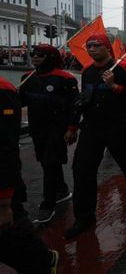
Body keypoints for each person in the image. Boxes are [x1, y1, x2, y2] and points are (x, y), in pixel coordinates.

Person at [64, 34, 126, 239]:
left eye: (96, 45)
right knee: (82, 170)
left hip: (118, 127)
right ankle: (84, 216)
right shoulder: (88, 72)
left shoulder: (124, 69)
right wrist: (73, 127)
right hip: (92, 127)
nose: (91, 49)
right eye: (88, 45)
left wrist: (114, 86)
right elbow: (83, 99)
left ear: (107, 48)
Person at [0, 76, 59, 273]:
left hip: (2, 185)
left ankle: (44, 261)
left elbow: (5, 149)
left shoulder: (3, 90)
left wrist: (4, 201)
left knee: (13, 235)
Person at [19, 44, 78, 224]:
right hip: (37, 129)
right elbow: (21, 103)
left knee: (50, 163)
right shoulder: (27, 78)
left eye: (40, 55)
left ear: (50, 57)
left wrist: (72, 129)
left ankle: (48, 204)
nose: (35, 57)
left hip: (57, 129)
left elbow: (74, 107)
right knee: (46, 162)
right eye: (33, 54)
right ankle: (61, 189)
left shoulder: (66, 79)